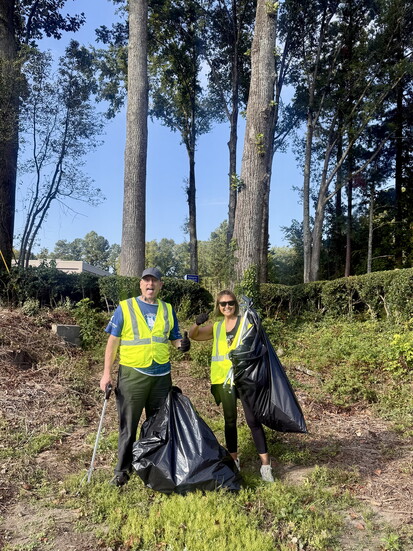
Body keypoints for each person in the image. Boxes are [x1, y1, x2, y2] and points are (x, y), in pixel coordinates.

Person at [100, 267, 191, 486]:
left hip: (161, 374)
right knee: (128, 425)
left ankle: (152, 464)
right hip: (133, 374)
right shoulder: (126, 307)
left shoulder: (167, 309)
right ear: (141, 284)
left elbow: (174, 338)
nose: (150, 285)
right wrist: (106, 374)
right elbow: (113, 340)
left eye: (154, 281)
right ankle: (122, 469)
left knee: (158, 424)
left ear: (160, 285)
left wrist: (182, 345)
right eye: (146, 281)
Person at [188, 290, 274, 482]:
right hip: (224, 380)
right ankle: (234, 461)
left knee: (253, 420)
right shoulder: (217, 327)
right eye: (223, 304)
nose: (227, 307)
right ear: (218, 307)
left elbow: (259, 341)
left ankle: (266, 466)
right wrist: (197, 322)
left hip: (244, 378)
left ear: (235, 304)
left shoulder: (245, 322)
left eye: (230, 303)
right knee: (230, 421)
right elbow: (194, 335)